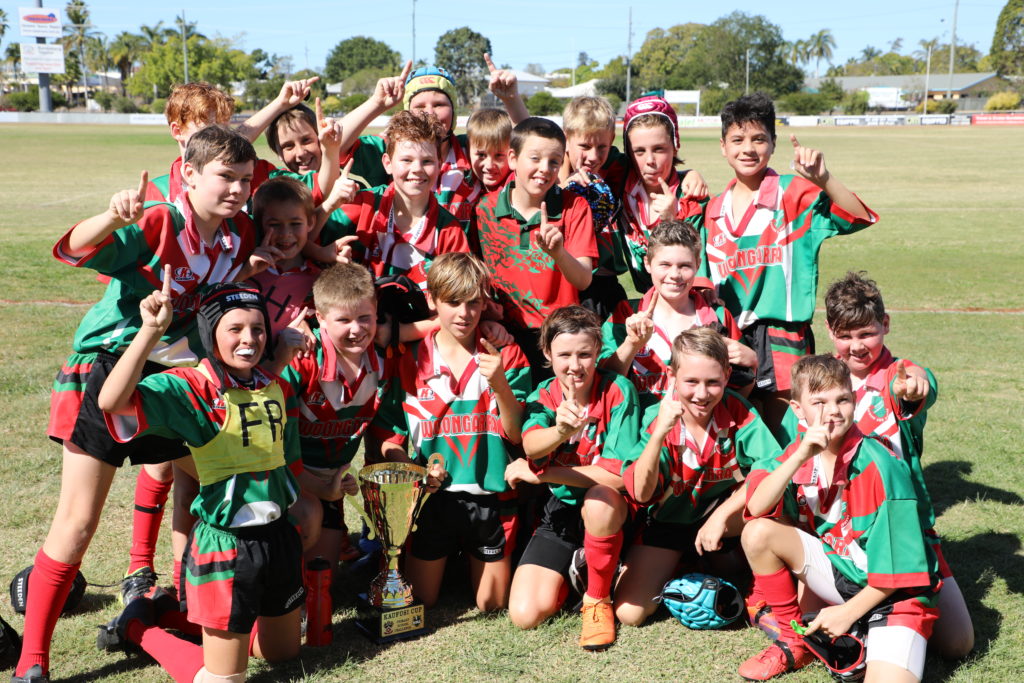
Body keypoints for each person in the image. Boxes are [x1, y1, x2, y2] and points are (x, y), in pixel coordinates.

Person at [10, 126, 260, 683]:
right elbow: (75, 248)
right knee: (77, 522)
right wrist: (113, 216)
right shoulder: (160, 220)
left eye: (245, 179)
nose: (238, 189)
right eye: (225, 176)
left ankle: (183, 610)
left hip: (170, 380)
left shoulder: (238, 234)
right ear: (189, 173)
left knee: (207, 485)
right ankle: (33, 663)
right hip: (107, 371)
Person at [96, 280, 316, 683]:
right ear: (210, 333)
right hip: (227, 544)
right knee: (224, 680)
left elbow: (255, 392)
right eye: (235, 329)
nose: (249, 338)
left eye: (257, 329)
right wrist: (150, 332)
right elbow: (112, 402)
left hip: (278, 537)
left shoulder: (271, 384)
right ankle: (138, 627)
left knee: (283, 655)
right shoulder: (192, 387)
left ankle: (169, 613)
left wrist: (283, 348)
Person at [738, 355, 940, 682]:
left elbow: (902, 571)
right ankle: (795, 642)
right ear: (797, 409)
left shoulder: (881, 466)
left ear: (855, 401)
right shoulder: (799, 452)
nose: (832, 410)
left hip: (895, 595)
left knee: (954, 644)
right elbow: (758, 506)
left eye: (842, 399)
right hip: (844, 571)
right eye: (818, 401)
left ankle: (867, 633)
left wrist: (847, 613)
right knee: (757, 533)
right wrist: (800, 456)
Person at [701, 92, 878, 429]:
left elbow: (857, 218)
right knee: (739, 434)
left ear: (773, 143)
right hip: (730, 335)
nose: (747, 149)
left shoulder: (793, 192)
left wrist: (823, 179)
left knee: (789, 433)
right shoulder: (712, 209)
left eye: (758, 139)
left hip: (784, 336)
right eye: (737, 140)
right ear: (723, 146)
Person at [823, 271, 973, 658]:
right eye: (845, 335)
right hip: (838, 527)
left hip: (901, 525)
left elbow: (918, 383)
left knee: (957, 643)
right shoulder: (823, 380)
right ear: (829, 331)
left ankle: (875, 613)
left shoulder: (896, 376)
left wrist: (915, 386)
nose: (856, 346)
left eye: (866, 333)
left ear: (885, 325)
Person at [379, 253, 531, 611]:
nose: (464, 313)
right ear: (432, 300)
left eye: (474, 302)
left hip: (490, 497)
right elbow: (389, 437)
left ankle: (470, 558)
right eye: (452, 302)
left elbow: (516, 434)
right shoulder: (407, 358)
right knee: (423, 600)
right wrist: (414, 474)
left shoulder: (505, 354)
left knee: (490, 604)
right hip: (433, 498)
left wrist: (499, 385)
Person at [614, 328, 779, 627]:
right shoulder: (656, 416)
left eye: (713, 382)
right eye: (691, 381)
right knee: (630, 613)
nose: (702, 394)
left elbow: (771, 466)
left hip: (722, 521)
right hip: (668, 522)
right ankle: (685, 563)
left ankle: (753, 582)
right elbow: (640, 491)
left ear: (727, 376)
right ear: (671, 374)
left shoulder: (738, 410)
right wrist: (659, 434)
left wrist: (721, 516)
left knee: (768, 506)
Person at [504, 306, 639, 651]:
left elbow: (619, 478)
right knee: (524, 614)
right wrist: (561, 430)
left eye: (584, 354)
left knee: (600, 499)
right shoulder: (543, 394)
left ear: (598, 352)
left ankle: (596, 600)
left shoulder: (618, 390)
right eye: (564, 355)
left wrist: (544, 474)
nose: (575, 365)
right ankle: (585, 570)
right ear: (548, 353)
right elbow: (531, 444)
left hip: (612, 511)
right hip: (562, 510)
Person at [275, 262, 395, 572]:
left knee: (322, 573)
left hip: (331, 485)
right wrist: (315, 485)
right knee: (305, 523)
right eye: (344, 320)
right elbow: (274, 442)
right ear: (321, 318)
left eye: (365, 318)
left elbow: (386, 430)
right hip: (284, 480)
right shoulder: (302, 360)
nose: (356, 329)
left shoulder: (384, 360)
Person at [472, 117, 597, 381]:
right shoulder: (485, 210)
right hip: (504, 334)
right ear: (513, 159)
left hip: (560, 337)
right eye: (535, 159)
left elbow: (584, 279)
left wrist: (559, 254)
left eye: (554, 161)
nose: (545, 169)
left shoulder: (574, 207)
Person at [601, 220, 756, 409]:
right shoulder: (625, 314)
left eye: (684, 266)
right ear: (648, 264)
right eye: (665, 264)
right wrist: (631, 345)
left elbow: (738, 392)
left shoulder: (718, 318)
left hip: (700, 433)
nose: (675, 274)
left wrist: (752, 362)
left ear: (698, 265)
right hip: (640, 434)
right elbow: (602, 382)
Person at [618, 94, 709, 294]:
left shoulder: (692, 197)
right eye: (639, 151)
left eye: (659, 149)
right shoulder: (618, 187)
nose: (650, 159)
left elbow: (697, 266)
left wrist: (672, 219)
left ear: (675, 146)